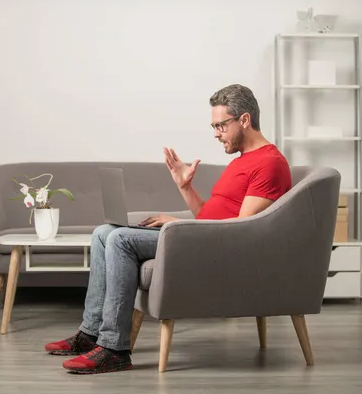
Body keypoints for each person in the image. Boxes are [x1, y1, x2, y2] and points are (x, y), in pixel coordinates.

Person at [44, 84, 292, 374]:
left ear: (245, 120)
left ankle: (114, 349)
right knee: (103, 233)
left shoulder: (269, 164)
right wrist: (184, 185)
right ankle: (89, 335)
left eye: (220, 125)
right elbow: (208, 215)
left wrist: (179, 225)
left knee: (121, 240)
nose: (216, 134)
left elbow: (239, 231)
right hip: (198, 236)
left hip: (212, 246)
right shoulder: (242, 162)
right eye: (213, 126)